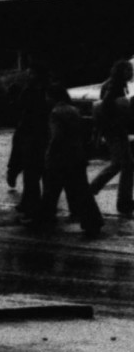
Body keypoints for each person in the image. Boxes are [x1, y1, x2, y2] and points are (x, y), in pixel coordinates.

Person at [34, 84, 104, 238]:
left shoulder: (55, 113)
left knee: (50, 191)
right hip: (77, 156)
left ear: (52, 97)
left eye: (47, 96)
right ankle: (93, 220)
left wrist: (49, 154)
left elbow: (56, 136)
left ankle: (43, 219)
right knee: (82, 191)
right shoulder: (74, 110)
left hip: (60, 158)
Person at [87, 59, 134, 218]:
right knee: (118, 164)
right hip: (114, 130)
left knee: (127, 164)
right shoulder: (114, 86)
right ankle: (92, 189)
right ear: (121, 71)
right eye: (128, 70)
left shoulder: (116, 84)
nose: (131, 73)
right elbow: (107, 106)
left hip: (115, 129)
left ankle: (124, 201)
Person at [6, 64, 50, 220]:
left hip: (30, 132)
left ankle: (31, 204)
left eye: (30, 72)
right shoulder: (46, 89)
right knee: (40, 171)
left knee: (31, 171)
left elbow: (20, 107)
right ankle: (35, 203)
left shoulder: (30, 89)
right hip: (41, 133)